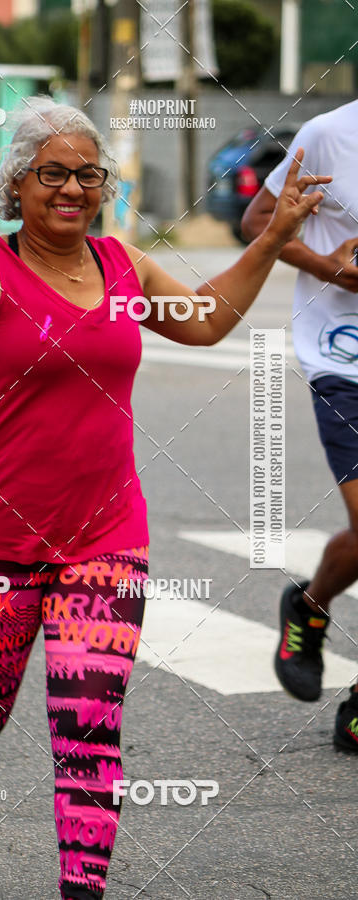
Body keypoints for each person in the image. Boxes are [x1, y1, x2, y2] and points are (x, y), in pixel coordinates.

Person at [0, 97, 328, 900]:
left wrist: (270, 239)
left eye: (88, 175)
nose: (73, 189)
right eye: (53, 173)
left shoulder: (127, 269)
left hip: (105, 536)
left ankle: (81, 891)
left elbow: (203, 323)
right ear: (15, 183)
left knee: (90, 730)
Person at [242, 100, 358, 754]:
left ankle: (309, 612)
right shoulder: (329, 136)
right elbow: (259, 221)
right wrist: (328, 266)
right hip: (344, 357)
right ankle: (310, 610)